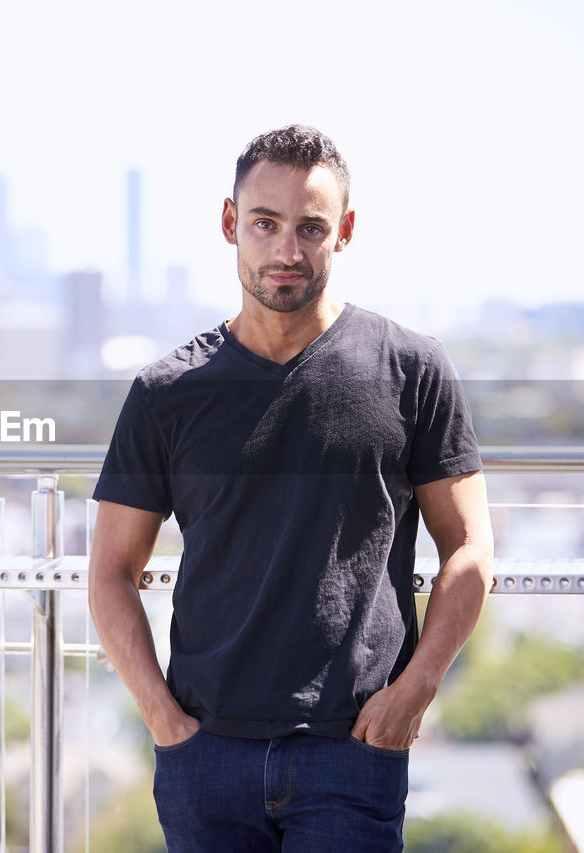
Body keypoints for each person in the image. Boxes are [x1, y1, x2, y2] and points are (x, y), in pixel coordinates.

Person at [88, 125, 495, 852]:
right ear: (229, 224)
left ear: (343, 231)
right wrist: (162, 718)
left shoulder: (413, 370)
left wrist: (417, 689)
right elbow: (110, 571)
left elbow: (468, 547)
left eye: (310, 228)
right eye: (265, 224)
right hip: (205, 751)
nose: (287, 250)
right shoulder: (167, 393)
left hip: (354, 749)